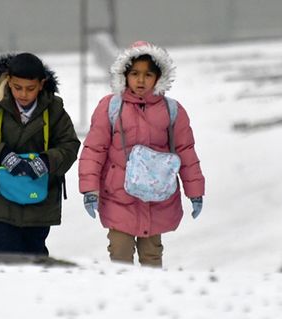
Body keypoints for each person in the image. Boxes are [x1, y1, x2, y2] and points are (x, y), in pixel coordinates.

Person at [78, 41, 205, 267]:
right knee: (120, 254)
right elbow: (94, 149)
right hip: (119, 196)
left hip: (157, 198)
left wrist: (194, 191)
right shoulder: (111, 107)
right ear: (124, 75)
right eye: (135, 73)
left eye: (148, 74)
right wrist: (90, 189)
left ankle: (150, 299)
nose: (140, 80)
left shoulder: (171, 110)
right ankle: (122, 299)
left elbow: (186, 152)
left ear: (159, 77)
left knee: (152, 257)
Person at [0, 52, 80, 256]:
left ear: (42, 84)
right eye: (17, 87)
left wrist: (44, 161)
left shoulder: (54, 109)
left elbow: (69, 145)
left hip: (39, 196)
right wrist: (3, 156)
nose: (23, 94)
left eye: (30, 88)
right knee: (5, 250)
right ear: (8, 81)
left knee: (35, 252)